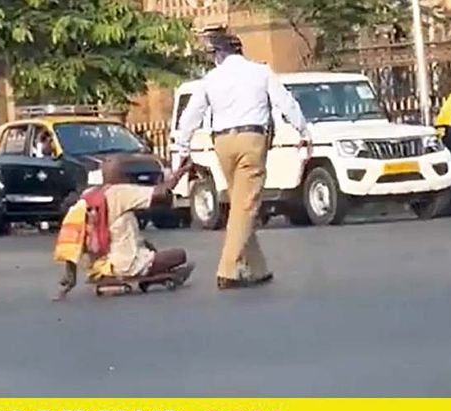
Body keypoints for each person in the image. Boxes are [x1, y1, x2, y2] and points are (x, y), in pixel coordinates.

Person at [176, 33, 311, 290]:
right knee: (245, 206)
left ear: (219, 54)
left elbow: (191, 115)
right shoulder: (260, 73)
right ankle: (228, 270)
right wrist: (303, 131)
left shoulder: (211, 79)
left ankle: (257, 268)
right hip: (252, 139)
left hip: (222, 143)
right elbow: (286, 103)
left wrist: (183, 146)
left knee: (240, 204)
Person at [56, 156, 195, 297]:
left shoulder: (87, 196)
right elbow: (160, 193)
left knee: (148, 246)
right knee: (179, 255)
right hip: (126, 264)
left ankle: (141, 274)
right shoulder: (120, 192)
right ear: (121, 175)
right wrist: (180, 173)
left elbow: (73, 237)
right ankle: (153, 276)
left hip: (97, 266)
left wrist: (70, 275)